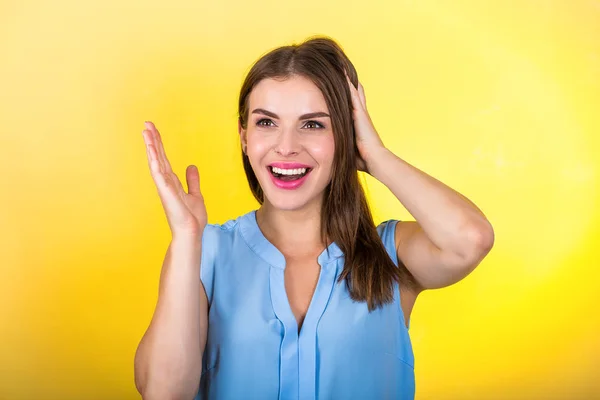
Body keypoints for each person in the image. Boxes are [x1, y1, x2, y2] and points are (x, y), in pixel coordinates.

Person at [134, 36, 494, 400]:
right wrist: (184, 236)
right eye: (266, 122)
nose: (286, 146)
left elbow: (470, 239)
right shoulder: (203, 250)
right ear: (244, 137)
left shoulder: (391, 253)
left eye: (313, 125)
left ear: (346, 136)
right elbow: (163, 393)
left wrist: (375, 156)